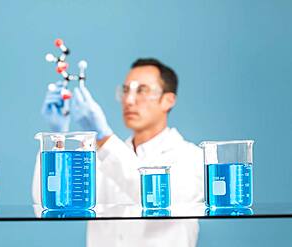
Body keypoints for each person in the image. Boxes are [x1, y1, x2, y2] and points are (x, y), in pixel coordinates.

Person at [33, 58, 204, 247]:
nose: (129, 100)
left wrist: (105, 140)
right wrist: (57, 140)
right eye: (126, 90)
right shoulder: (100, 158)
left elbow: (158, 200)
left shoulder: (191, 158)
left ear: (168, 100)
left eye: (142, 90)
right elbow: (47, 204)